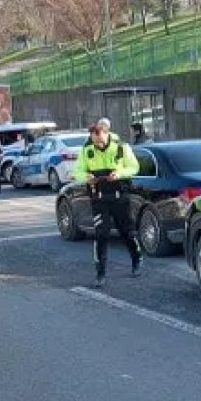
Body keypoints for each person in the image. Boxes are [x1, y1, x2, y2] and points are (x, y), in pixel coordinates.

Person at [74, 118, 142, 288]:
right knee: (101, 234)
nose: (98, 145)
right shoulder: (87, 149)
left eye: (100, 142)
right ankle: (100, 273)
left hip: (119, 197)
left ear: (106, 133)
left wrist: (119, 174)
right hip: (99, 198)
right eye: (95, 142)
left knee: (127, 232)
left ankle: (136, 259)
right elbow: (77, 171)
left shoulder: (121, 147)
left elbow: (134, 167)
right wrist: (86, 177)